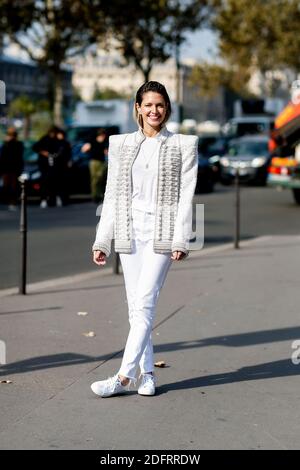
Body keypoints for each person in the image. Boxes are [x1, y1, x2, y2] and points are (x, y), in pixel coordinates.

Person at [90, 81, 198, 398]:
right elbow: (112, 195)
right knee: (136, 308)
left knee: (146, 301)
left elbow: (186, 196)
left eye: (160, 105)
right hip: (129, 229)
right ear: (137, 107)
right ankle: (147, 375)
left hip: (162, 231)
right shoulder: (121, 145)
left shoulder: (183, 145)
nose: (154, 110)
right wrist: (102, 241)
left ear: (168, 109)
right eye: (148, 105)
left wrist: (181, 239)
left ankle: (122, 378)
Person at [32, 126, 71, 207]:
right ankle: (44, 199)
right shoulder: (45, 139)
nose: (53, 135)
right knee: (45, 182)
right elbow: (35, 147)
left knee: (56, 183)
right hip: (45, 165)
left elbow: (65, 148)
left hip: (56, 166)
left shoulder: (59, 141)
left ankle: (56, 198)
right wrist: (43, 152)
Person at [81, 128, 108, 203]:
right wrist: (87, 150)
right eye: (102, 135)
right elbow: (83, 149)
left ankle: (101, 195)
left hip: (102, 162)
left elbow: (106, 152)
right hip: (94, 162)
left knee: (102, 179)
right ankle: (95, 196)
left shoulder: (104, 143)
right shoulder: (92, 141)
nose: (103, 137)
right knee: (95, 180)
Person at [0, 127, 24, 211]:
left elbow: (19, 157)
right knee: (5, 186)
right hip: (5, 169)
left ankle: (12, 202)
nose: (11, 137)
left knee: (14, 187)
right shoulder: (5, 144)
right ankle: (6, 201)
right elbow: (2, 157)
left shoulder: (18, 144)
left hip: (14, 169)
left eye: (12, 135)